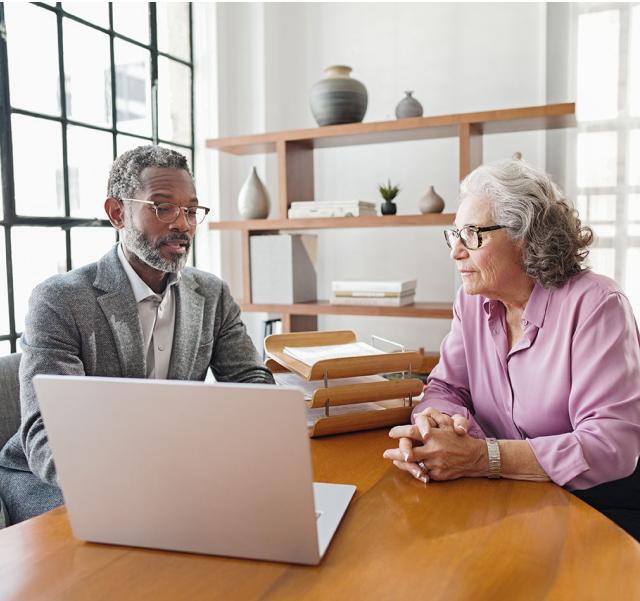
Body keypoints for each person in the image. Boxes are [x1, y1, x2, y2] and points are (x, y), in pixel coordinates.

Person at [0, 145, 274, 524]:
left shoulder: (211, 294)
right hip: (55, 480)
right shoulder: (60, 300)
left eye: (191, 210)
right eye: (162, 207)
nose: (182, 224)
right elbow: (47, 432)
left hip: (173, 473)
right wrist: (133, 484)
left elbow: (249, 379)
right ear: (117, 213)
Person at [383, 159, 640, 539]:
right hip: (508, 497)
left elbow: (610, 444)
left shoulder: (596, 304)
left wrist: (481, 457)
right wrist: (436, 429)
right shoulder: (471, 301)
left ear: (526, 238)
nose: (456, 251)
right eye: (454, 234)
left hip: (595, 507)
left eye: (472, 235)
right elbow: (445, 388)